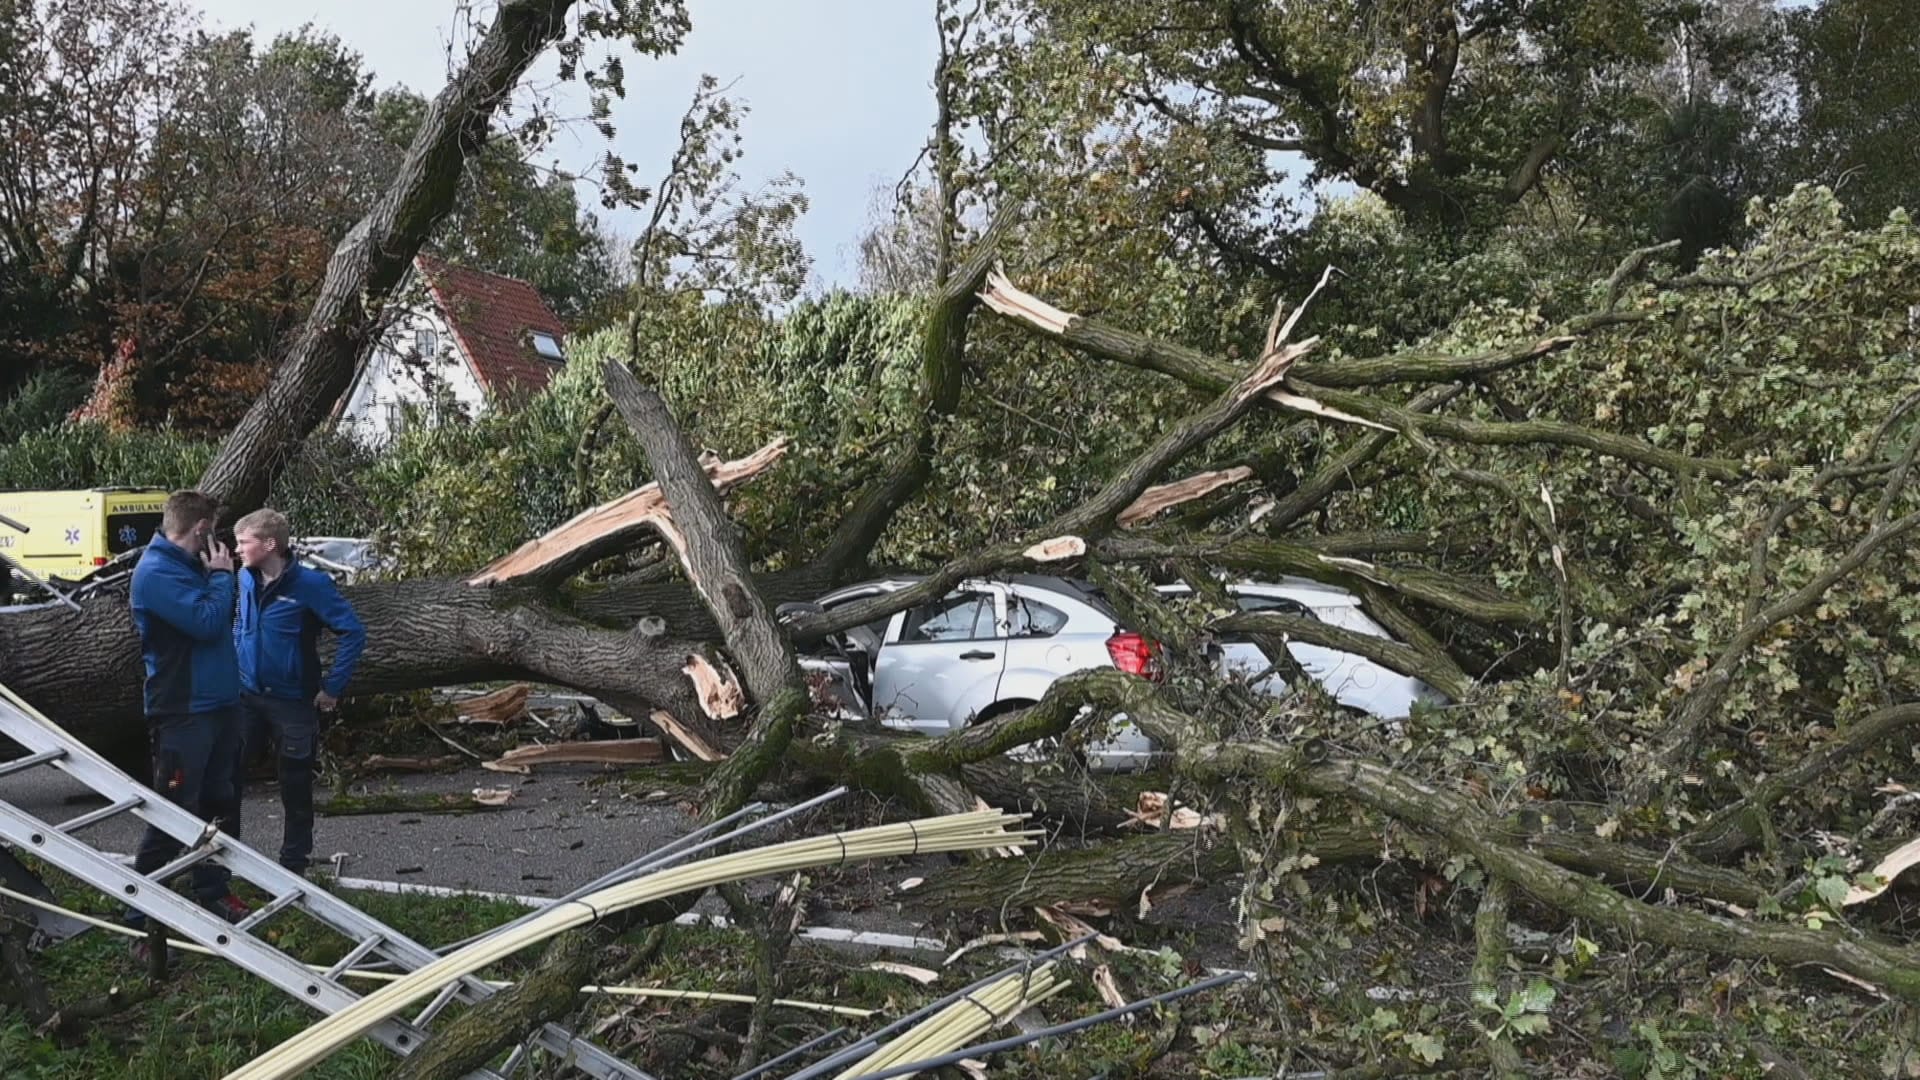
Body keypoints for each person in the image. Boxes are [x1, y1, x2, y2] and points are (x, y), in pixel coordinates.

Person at [128, 490, 249, 924]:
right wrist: (221, 577)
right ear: (200, 529)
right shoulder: (156, 573)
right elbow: (207, 622)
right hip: (183, 710)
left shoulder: (191, 565)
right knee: (174, 811)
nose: (215, 540)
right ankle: (140, 915)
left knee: (222, 803)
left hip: (221, 703)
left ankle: (213, 890)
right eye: (211, 531)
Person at [233, 508, 365, 875]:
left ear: (269, 545)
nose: (237, 549)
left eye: (243, 542)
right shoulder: (244, 578)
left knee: (295, 786)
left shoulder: (311, 585)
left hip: (293, 701)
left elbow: (353, 633)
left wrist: (333, 688)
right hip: (246, 697)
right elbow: (241, 622)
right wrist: (234, 659)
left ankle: (294, 865)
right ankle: (223, 858)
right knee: (227, 776)